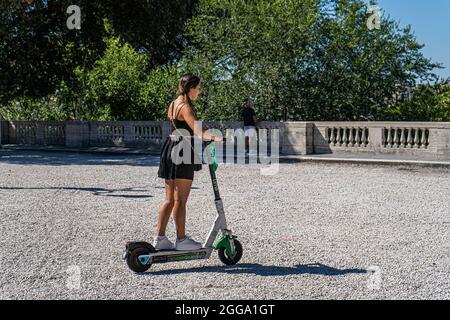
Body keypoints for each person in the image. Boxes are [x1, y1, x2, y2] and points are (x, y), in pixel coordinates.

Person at [155, 74, 222, 251]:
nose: (199, 92)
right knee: (180, 200)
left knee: (169, 199)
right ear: (190, 88)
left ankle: (160, 238)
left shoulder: (173, 104)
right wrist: (219, 137)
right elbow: (199, 130)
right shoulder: (186, 107)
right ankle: (181, 239)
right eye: (198, 88)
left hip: (170, 148)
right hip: (183, 150)